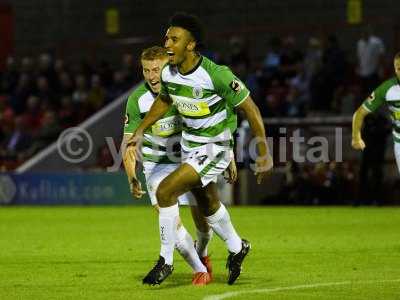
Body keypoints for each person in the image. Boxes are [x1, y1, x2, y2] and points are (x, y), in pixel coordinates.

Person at [127, 13, 273, 285]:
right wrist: (141, 128)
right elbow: (165, 100)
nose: (167, 43)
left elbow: (251, 110)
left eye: (174, 38)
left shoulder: (216, 75)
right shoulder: (169, 72)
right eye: (166, 37)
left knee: (165, 191)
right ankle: (236, 246)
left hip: (214, 147)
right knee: (207, 204)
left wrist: (263, 153)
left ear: (190, 45)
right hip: (190, 147)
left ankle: (165, 261)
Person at [122, 46, 227, 285]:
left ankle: (203, 251)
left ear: (166, 68)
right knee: (169, 217)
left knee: (203, 215)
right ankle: (199, 269)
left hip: (189, 160)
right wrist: (131, 176)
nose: (151, 76)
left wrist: (227, 156)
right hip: (156, 167)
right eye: (146, 70)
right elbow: (128, 144)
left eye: (156, 69)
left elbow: (213, 123)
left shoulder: (184, 90)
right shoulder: (137, 100)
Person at [352, 52, 400, 177]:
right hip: (393, 144)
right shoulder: (387, 89)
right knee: (369, 168)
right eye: (398, 68)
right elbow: (359, 113)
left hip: (381, 145)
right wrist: (356, 137)